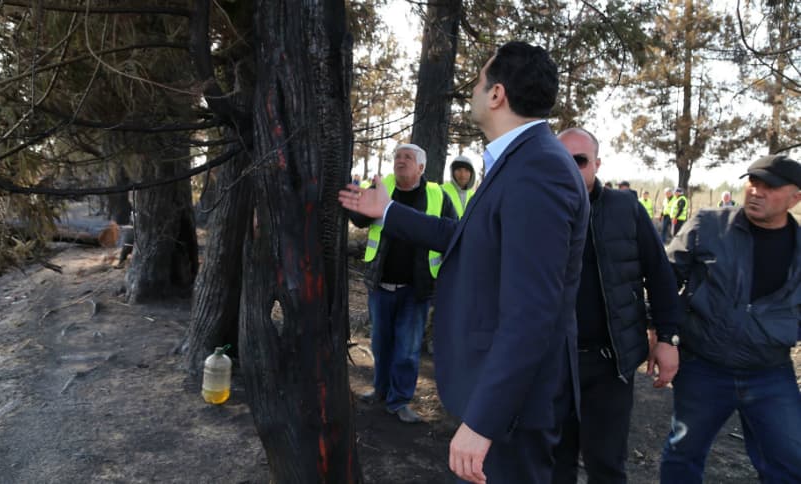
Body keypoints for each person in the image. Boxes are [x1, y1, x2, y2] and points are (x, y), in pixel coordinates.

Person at [340, 41, 589, 483]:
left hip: (514, 410)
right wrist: (389, 212)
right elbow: (469, 238)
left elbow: (533, 312)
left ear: (497, 94)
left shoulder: (538, 168)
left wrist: (484, 421)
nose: (472, 90)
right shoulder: (520, 160)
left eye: (478, 81)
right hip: (504, 397)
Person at [659, 154, 801, 483]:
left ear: (795, 198)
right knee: (683, 455)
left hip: (770, 372)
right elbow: (665, 278)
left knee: (789, 461)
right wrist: (663, 334)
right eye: (753, 182)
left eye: (770, 187)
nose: (757, 192)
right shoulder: (709, 225)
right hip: (704, 366)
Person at [551, 128, 680, 484]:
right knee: (553, 463)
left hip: (609, 363)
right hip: (552, 361)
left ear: (597, 163)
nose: (570, 168)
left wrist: (667, 337)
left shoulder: (626, 209)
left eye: (580, 160)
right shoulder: (538, 209)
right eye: (561, 160)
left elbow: (660, 275)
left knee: (606, 464)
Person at [349, 143, 456, 424]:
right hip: (380, 284)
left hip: (416, 289)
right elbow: (359, 219)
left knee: (407, 350)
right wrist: (357, 200)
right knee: (380, 344)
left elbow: (452, 235)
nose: (400, 160)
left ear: (421, 167)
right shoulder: (381, 187)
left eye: (408, 157)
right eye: (397, 156)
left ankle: (400, 401)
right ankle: (381, 390)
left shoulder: (438, 195)